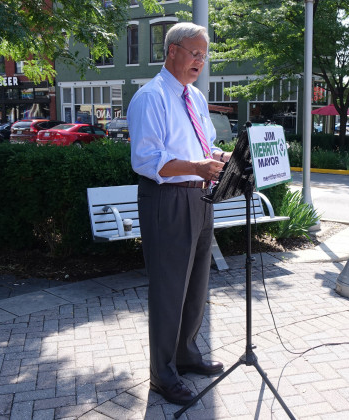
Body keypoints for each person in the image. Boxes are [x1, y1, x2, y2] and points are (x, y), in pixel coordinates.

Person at [127, 22, 230, 405]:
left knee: (196, 286)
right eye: (194, 53)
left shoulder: (195, 98)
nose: (200, 62)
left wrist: (221, 159)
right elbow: (147, 160)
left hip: (200, 198)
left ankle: (186, 356)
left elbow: (206, 145)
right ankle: (162, 376)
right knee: (169, 290)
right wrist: (198, 168)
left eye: (204, 56)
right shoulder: (150, 98)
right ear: (172, 50)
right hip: (167, 200)